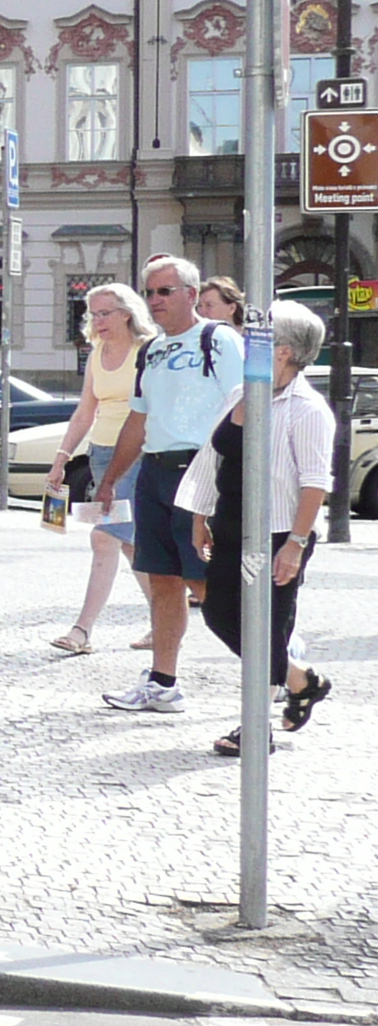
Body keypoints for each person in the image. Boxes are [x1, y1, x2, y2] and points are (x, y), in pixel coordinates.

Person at [179, 298, 340, 756]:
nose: (249, 342)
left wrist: (294, 543)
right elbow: (214, 458)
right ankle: (300, 680)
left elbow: (315, 483)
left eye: (260, 337)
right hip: (231, 524)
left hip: (276, 532)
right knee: (219, 615)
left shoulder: (307, 408)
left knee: (266, 628)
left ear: (284, 350)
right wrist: (199, 515)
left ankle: (255, 727)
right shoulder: (243, 394)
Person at [96, 255, 245, 714]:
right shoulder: (153, 349)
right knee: (163, 580)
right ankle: (163, 683)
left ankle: (277, 666)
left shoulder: (218, 339)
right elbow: (138, 419)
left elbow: (245, 405)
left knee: (207, 583)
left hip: (200, 470)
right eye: (150, 292)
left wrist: (229, 473)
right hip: (156, 472)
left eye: (165, 291)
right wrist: (110, 479)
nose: (156, 300)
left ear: (189, 293)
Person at [43, 282, 155, 655]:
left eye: (105, 312)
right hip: (102, 454)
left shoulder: (147, 350)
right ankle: (164, 620)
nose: (98, 320)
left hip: (138, 453)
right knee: (128, 545)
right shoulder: (97, 354)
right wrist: (62, 457)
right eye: (92, 313)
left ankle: (82, 630)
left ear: (127, 312)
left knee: (105, 537)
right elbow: (85, 410)